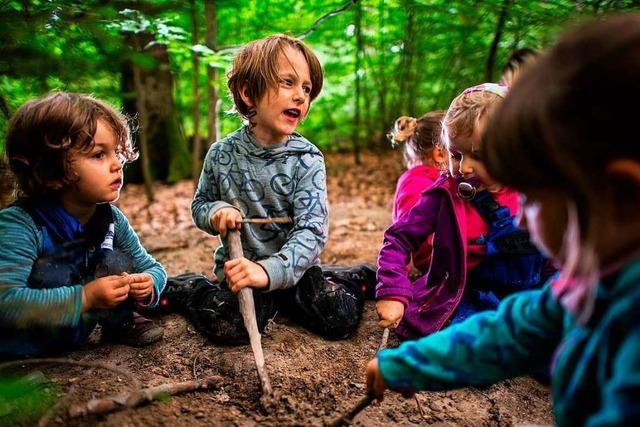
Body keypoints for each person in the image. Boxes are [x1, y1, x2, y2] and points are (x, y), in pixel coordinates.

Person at [366, 14, 640, 426]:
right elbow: (515, 330)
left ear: (620, 196)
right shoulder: (588, 286)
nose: (523, 221)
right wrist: (409, 365)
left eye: (532, 196)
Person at [163, 34, 375, 345]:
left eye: (306, 88)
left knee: (337, 319)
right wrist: (215, 212)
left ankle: (350, 279)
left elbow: (312, 231)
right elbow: (201, 205)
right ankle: (189, 289)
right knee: (231, 326)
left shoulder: (307, 159)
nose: (301, 96)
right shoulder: (221, 155)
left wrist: (270, 270)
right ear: (248, 93)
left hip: (297, 271)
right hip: (241, 272)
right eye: (288, 83)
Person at [0, 92, 167, 357]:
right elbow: (5, 301)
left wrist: (148, 284)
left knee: (118, 261)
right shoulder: (21, 224)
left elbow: (152, 267)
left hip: (75, 334)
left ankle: (120, 322)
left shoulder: (109, 217)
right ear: (51, 169)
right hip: (24, 347)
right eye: (99, 154)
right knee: (53, 273)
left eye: (117, 153)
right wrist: (86, 297)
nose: (117, 165)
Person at [375, 82, 546, 340]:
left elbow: (556, 256)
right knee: (473, 343)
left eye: (478, 155)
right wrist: (392, 291)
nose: (465, 168)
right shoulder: (445, 194)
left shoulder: (533, 193)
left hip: (530, 296)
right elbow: (398, 238)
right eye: (456, 155)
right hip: (466, 294)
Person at [387, 112, 447, 274]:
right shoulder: (417, 183)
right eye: (457, 154)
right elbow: (407, 235)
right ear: (440, 154)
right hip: (439, 268)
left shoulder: (428, 180)